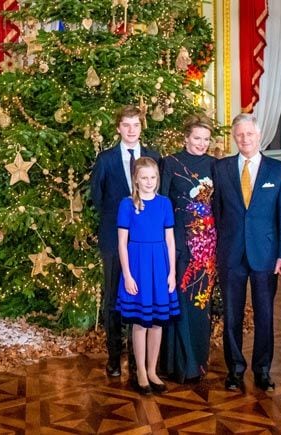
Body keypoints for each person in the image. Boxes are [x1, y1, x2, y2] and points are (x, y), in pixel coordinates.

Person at [212, 113, 281, 392]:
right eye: (239, 135)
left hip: (266, 255)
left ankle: (262, 370)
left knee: (264, 315)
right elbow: (217, 213)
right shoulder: (220, 169)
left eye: (249, 134)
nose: (245, 139)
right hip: (231, 254)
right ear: (234, 137)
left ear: (259, 136)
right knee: (232, 315)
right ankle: (235, 369)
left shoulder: (278, 171)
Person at [91, 105, 161, 378]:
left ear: (142, 127)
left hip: (146, 242)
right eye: (126, 125)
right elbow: (96, 196)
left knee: (142, 297)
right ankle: (113, 356)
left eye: (136, 125)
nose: (131, 130)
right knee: (113, 297)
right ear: (118, 127)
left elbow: (158, 196)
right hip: (113, 238)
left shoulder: (154, 157)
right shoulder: (106, 159)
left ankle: (138, 360)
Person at [158, 115, 217, 383]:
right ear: (185, 138)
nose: (201, 143)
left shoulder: (216, 166)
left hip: (208, 248)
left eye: (206, 139)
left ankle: (199, 364)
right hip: (179, 244)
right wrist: (173, 243)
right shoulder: (170, 163)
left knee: (200, 305)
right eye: (197, 138)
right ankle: (180, 365)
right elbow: (163, 205)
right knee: (180, 302)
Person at [116, 157, 179, 395]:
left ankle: (153, 370)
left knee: (156, 322)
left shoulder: (164, 204)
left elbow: (170, 240)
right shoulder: (127, 204)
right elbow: (122, 243)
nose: (149, 182)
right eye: (144, 178)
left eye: (153, 177)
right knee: (140, 323)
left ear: (158, 179)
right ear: (136, 179)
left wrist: (172, 272)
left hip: (160, 266)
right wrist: (128, 275)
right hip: (137, 266)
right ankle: (140, 371)